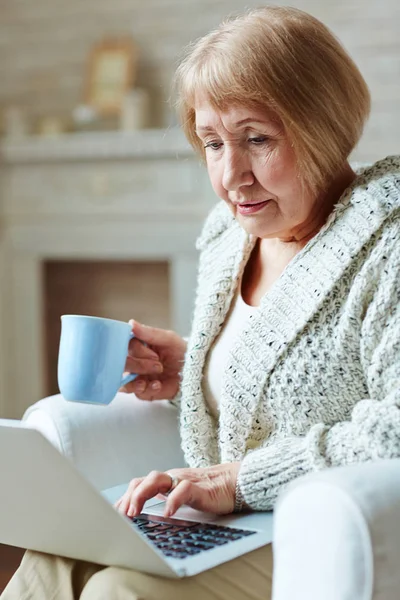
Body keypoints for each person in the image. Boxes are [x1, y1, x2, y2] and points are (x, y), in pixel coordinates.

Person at [3, 5, 400, 599]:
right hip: (220, 526)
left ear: (324, 126)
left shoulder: (387, 241)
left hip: (317, 538)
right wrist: (196, 368)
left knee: (117, 589)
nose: (231, 174)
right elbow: (291, 373)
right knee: (55, 561)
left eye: (257, 139)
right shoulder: (229, 234)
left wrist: (240, 481)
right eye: (213, 142)